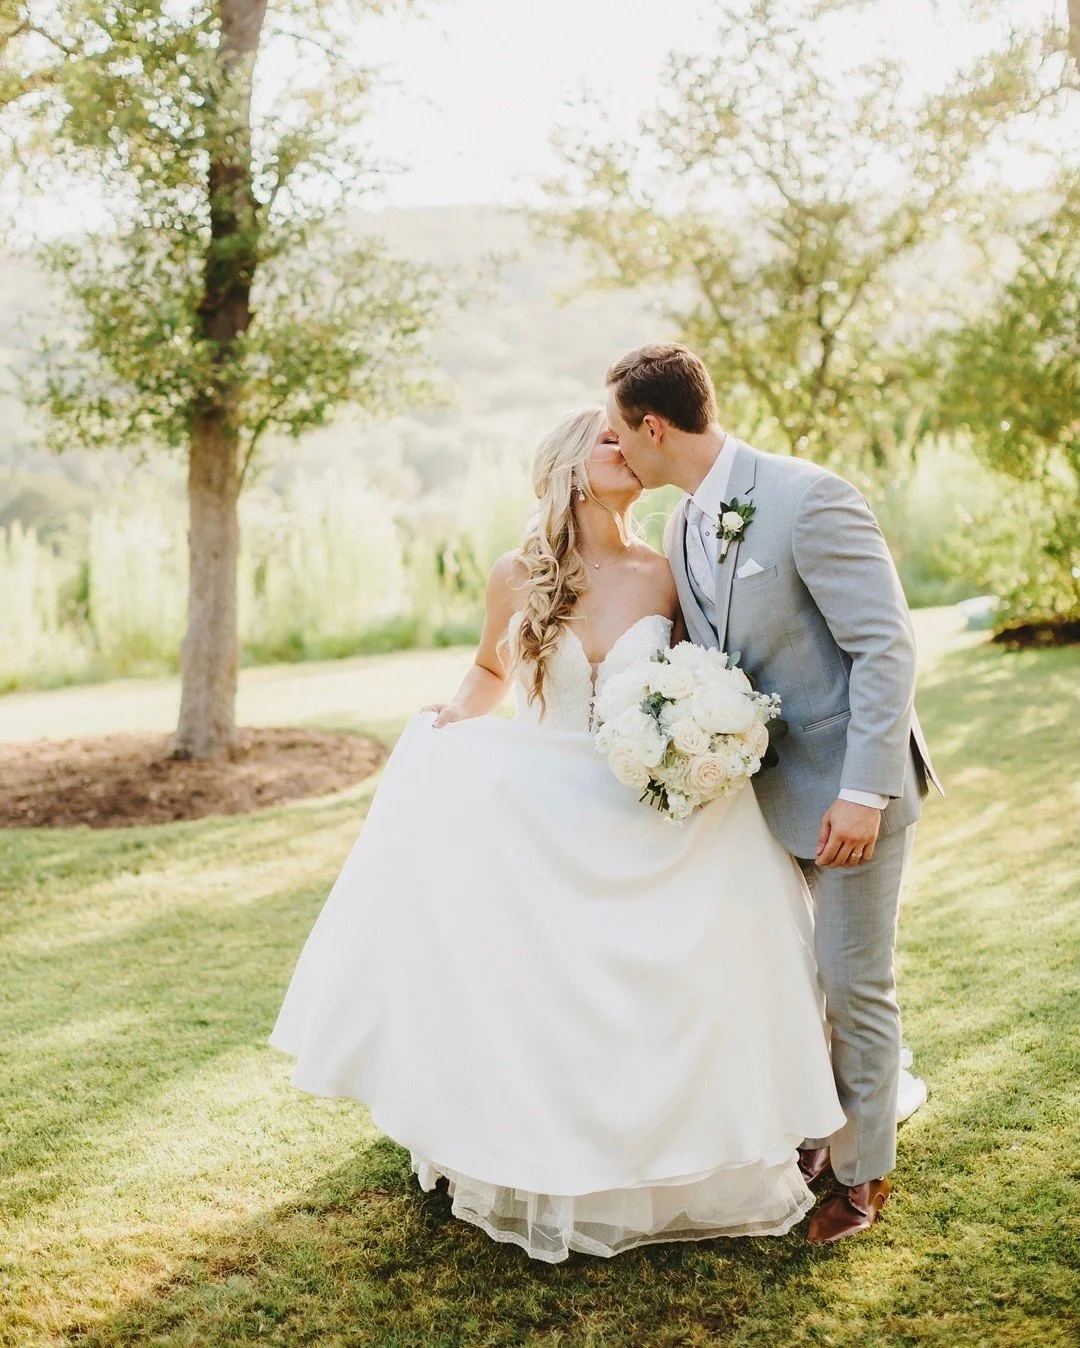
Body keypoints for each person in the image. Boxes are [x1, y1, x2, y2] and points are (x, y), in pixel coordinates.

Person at [271, 406, 860, 1263]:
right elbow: (489, 667)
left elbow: (700, 675)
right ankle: (531, 1146)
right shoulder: (517, 575)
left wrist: (706, 733)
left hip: (644, 809)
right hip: (542, 811)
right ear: (568, 468)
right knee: (535, 984)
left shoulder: (665, 573)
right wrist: (457, 715)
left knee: (690, 962)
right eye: (609, 440)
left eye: (628, 436)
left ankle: (683, 1145)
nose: (629, 448)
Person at [605, 343, 942, 1245]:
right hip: (765, 800)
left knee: (854, 982)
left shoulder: (808, 497)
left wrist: (865, 791)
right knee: (800, 982)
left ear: (653, 427)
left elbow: (885, 646)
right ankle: (824, 1131)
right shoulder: (682, 525)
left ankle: (863, 1178)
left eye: (617, 432)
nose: (614, 449)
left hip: (852, 792)